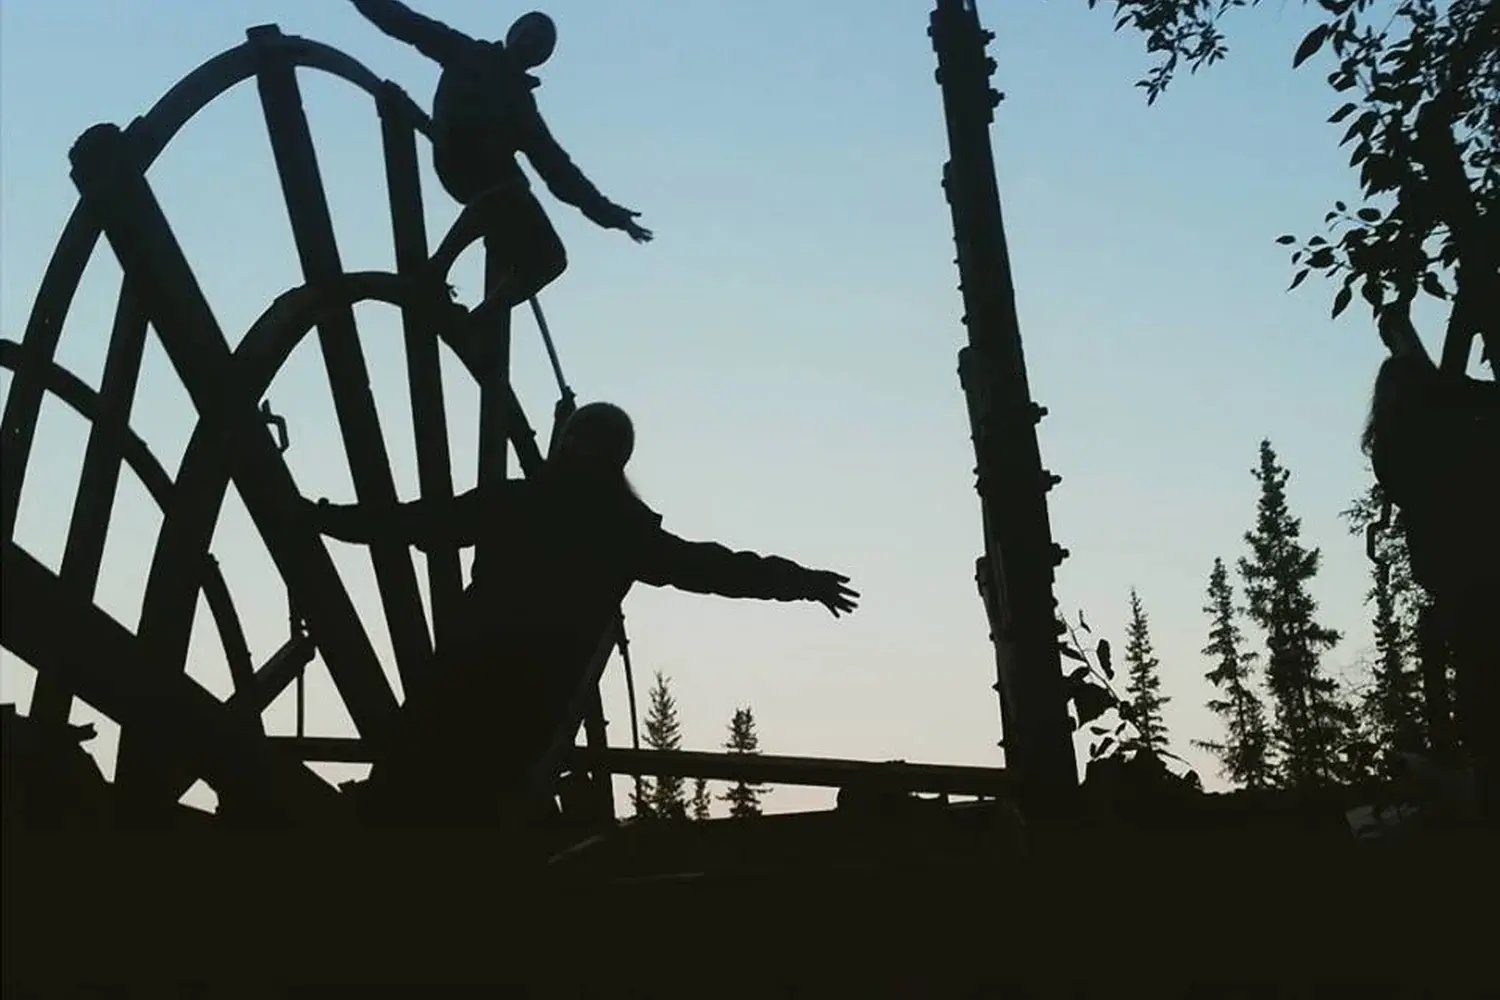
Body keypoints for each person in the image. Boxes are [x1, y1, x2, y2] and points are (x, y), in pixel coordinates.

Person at [309, 402, 857, 826]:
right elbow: (714, 568)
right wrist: (801, 582)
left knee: (407, 795)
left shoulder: (516, 504)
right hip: (532, 706)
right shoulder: (623, 532)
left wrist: (328, 519)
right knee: (475, 803)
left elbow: (417, 523)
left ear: (568, 442)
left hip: (456, 684)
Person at [349, 1, 651, 339]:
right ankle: (435, 270)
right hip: (460, 159)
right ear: (512, 33)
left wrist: (610, 215)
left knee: (551, 259)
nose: (534, 41)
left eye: (543, 42)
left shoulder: (523, 107)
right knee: (510, 191)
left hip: (499, 180)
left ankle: (479, 321)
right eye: (530, 32)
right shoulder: (467, 52)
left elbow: (558, 171)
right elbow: (407, 24)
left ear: (544, 57)